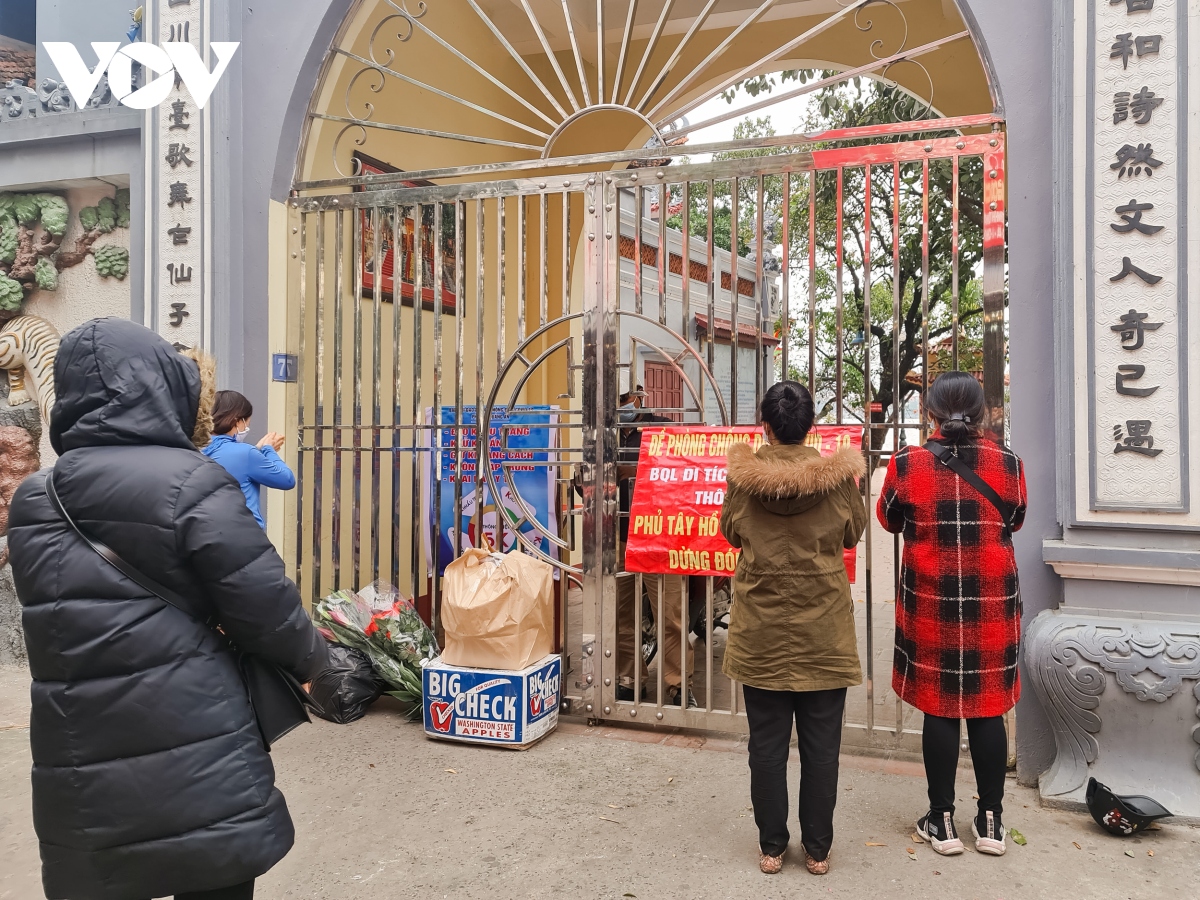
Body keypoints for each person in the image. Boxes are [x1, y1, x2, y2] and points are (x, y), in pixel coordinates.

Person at [9, 318, 330, 900]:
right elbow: (262, 603)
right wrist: (314, 663)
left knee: (108, 872)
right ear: (162, 387)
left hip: (78, 738)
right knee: (211, 868)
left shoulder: (35, 497)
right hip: (194, 723)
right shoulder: (193, 481)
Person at [877, 371, 1027, 858]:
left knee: (939, 708)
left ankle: (940, 821)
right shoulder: (1009, 463)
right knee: (987, 708)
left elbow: (888, 518)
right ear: (984, 414)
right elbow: (1017, 517)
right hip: (991, 600)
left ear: (930, 414)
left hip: (932, 600)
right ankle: (991, 822)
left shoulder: (908, 463)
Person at [720, 381, 866, 876]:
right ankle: (819, 850)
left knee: (766, 745)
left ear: (766, 426)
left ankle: (772, 847)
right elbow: (853, 532)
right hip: (824, 626)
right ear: (811, 429)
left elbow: (731, 532)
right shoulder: (838, 477)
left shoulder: (744, 477)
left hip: (760, 624)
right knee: (822, 746)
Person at [616, 385, 695, 707]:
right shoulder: (603, 434)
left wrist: (633, 471)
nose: (619, 407)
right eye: (614, 401)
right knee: (623, 615)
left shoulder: (663, 429)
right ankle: (629, 679)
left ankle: (678, 684)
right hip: (619, 535)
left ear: (638, 396)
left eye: (623, 400)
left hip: (659, 535)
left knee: (671, 616)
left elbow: (681, 474)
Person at [202, 389, 295, 529]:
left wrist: (256, 451)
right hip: (244, 536)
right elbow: (287, 480)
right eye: (247, 423)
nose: (246, 427)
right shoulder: (246, 454)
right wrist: (268, 449)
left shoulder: (197, 449)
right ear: (238, 421)